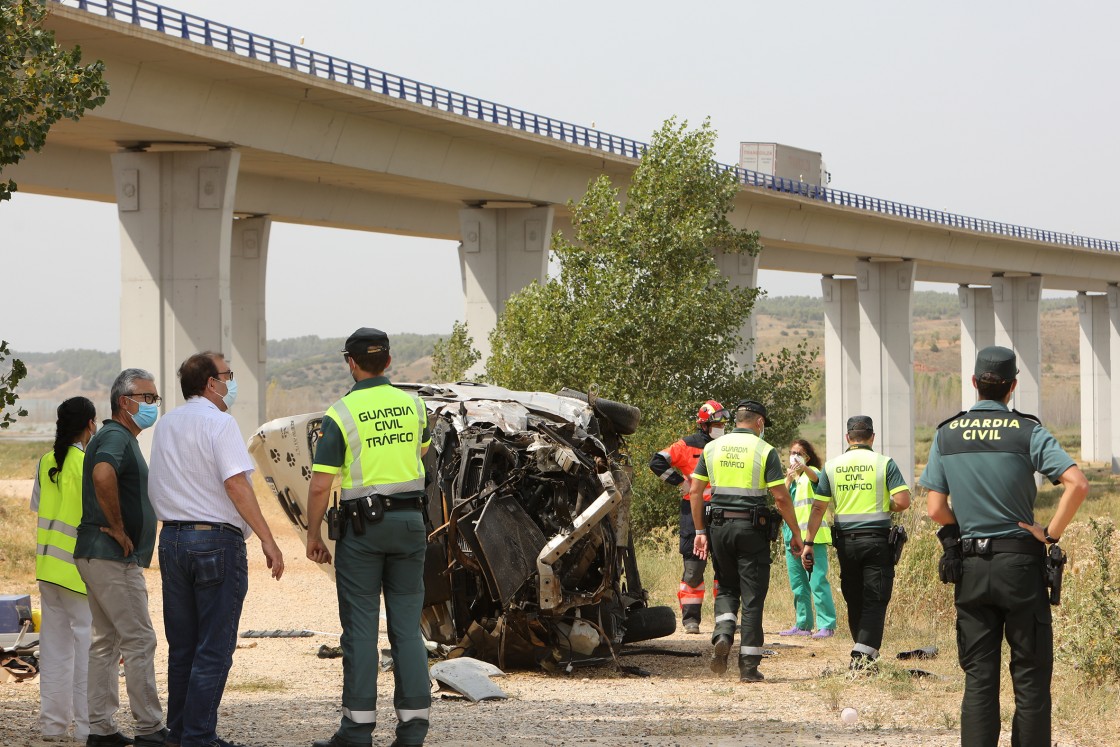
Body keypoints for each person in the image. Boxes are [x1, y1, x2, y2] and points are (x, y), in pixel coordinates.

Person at [919, 346, 1088, 747]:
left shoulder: (947, 433)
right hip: (1020, 566)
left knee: (979, 677)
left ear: (975, 383)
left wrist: (968, 526)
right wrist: (1050, 533)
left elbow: (935, 510)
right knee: (1029, 678)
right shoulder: (1027, 431)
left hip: (972, 568)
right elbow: (1078, 485)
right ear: (1012, 387)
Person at [148, 353, 285, 747]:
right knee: (214, 646)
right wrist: (267, 538)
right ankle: (199, 736)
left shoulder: (167, 423)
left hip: (172, 539)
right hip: (214, 541)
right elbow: (237, 485)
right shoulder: (220, 423)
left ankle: (180, 732)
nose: (231, 382)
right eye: (227, 375)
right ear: (211, 383)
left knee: (183, 646)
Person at [305, 328, 432, 747]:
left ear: (351, 363)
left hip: (363, 531)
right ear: (389, 362)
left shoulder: (340, 414)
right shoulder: (414, 406)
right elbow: (423, 451)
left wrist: (313, 535)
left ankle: (357, 732)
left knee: (360, 631)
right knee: (407, 630)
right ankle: (413, 731)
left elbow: (321, 485)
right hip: (411, 525)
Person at [75, 369, 167, 747]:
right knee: (139, 640)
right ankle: (149, 728)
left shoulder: (121, 437)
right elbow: (101, 474)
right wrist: (116, 525)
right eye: (147, 398)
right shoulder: (115, 435)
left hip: (95, 556)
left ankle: (101, 728)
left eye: (155, 399)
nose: (152, 405)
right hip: (111, 557)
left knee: (105, 642)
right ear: (124, 402)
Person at [690, 400, 802, 683]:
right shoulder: (764, 451)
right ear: (760, 423)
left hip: (717, 527)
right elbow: (780, 497)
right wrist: (796, 534)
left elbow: (695, 491)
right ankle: (749, 667)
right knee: (752, 596)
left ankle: (724, 633)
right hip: (751, 529)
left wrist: (700, 532)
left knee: (726, 585)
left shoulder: (711, 448)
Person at [801, 415, 911, 670]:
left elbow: (818, 508)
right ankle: (863, 657)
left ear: (848, 438)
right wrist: (887, 504)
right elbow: (903, 501)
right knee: (875, 597)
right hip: (876, 542)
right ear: (872, 437)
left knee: (855, 597)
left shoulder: (832, 466)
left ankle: (863, 654)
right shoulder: (884, 463)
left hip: (846, 543)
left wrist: (808, 542)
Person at [31, 397, 97, 743]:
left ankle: (52, 728)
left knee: (54, 653)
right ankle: (87, 731)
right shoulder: (85, 464)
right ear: (89, 424)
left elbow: (40, 509)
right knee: (86, 653)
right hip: (77, 572)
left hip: (47, 571)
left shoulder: (45, 463)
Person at [648, 400, 729, 634]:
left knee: (725, 570)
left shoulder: (727, 445)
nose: (721, 426)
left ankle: (724, 619)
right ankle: (691, 620)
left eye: (723, 422)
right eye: (717, 422)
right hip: (693, 515)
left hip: (723, 513)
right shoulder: (687, 445)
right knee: (693, 569)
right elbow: (657, 461)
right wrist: (680, 483)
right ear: (704, 424)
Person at [778, 439, 836, 639]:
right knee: (799, 584)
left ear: (807, 457)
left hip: (813, 538)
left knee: (817, 581)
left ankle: (827, 625)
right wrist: (788, 478)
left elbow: (817, 478)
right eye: (791, 452)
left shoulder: (812, 474)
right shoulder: (794, 480)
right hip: (792, 538)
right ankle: (803, 624)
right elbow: (781, 499)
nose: (793, 456)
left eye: (798, 453)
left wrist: (804, 467)